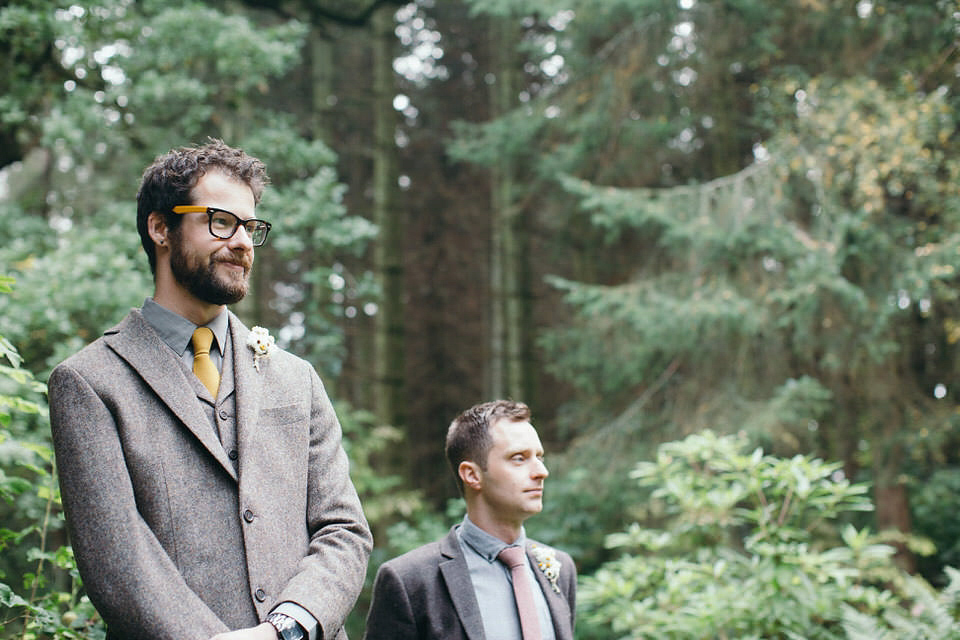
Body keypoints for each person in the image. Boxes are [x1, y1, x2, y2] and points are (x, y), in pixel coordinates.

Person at [47, 139, 372, 640]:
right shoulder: (90, 382)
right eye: (221, 221)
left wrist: (289, 626)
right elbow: (117, 557)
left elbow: (343, 529)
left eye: (250, 226)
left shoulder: (296, 377)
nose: (242, 241)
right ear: (161, 228)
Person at [363, 400, 576, 640]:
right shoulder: (410, 580)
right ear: (472, 474)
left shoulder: (560, 569)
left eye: (540, 457)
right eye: (519, 458)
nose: (541, 471)